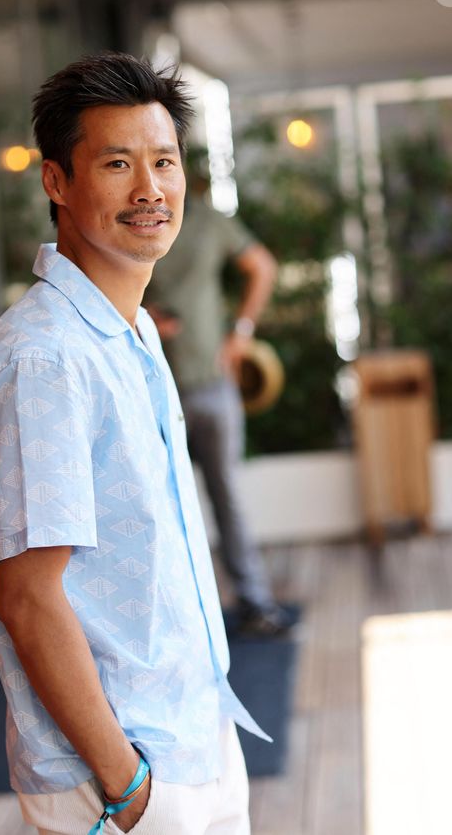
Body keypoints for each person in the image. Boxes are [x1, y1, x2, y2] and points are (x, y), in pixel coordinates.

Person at [0, 52, 269, 835]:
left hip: (196, 735)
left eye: (163, 161)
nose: (150, 189)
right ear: (57, 181)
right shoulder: (43, 359)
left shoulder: (128, 330)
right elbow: (29, 598)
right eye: (118, 163)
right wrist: (129, 789)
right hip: (121, 775)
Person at [145, 167, 291, 637]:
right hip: (151, 388)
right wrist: (142, 317)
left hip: (209, 384)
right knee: (158, 506)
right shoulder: (138, 222)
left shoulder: (208, 221)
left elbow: (262, 266)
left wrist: (241, 335)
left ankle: (253, 604)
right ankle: (179, 618)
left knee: (222, 497)